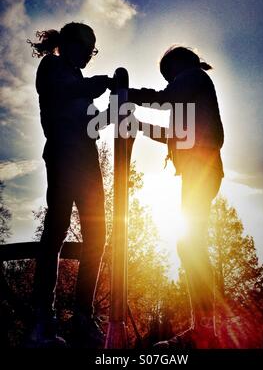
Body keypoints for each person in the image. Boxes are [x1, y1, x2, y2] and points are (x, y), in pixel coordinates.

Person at [129, 46, 224, 348]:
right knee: (190, 245)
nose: (169, 82)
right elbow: (173, 134)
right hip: (199, 171)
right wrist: (140, 126)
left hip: (202, 170)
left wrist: (126, 93)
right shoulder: (191, 94)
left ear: (179, 65)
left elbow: (163, 98)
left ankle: (206, 326)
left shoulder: (194, 77)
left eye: (168, 76)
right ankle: (205, 324)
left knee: (190, 245)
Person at [27, 22, 112, 347]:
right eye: (88, 49)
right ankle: (42, 318)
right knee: (57, 229)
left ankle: (82, 315)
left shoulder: (77, 79)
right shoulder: (52, 67)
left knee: (98, 235)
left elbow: (91, 124)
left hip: (88, 162)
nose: (90, 55)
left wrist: (115, 111)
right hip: (63, 155)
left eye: (93, 51)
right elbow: (61, 91)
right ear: (71, 45)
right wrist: (99, 83)